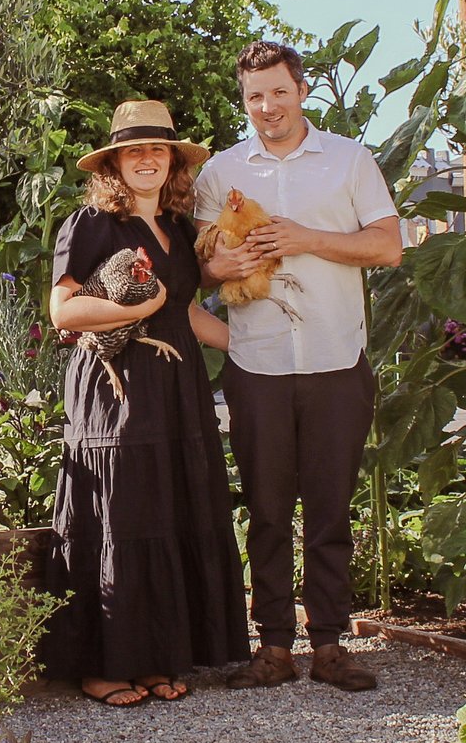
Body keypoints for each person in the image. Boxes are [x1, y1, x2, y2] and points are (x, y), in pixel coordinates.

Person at [196, 42, 406, 692]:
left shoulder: (349, 160)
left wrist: (305, 238)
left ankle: (330, 644)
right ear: (244, 100)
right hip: (256, 365)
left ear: (302, 91)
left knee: (329, 509)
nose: (268, 106)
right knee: (264, 510)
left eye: (278, 92)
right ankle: (274, 647)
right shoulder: (222, 172)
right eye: (255, 96)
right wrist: (220, 266)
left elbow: (388, 247)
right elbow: (199, 268)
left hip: (335, 358)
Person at [42, 99, 250, 707]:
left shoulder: (177, 229)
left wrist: (254, 351)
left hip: (177, 390)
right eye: (133, 150)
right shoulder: (90, 224)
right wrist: (140, 305)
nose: (146, 159)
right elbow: (64, 312)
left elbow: (184, 312)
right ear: (114, 163)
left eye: (157, 148)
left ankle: (157, 657)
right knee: (122, 514)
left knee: (167, 511)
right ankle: (104, 666)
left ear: (172, 162)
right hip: (117, 390)